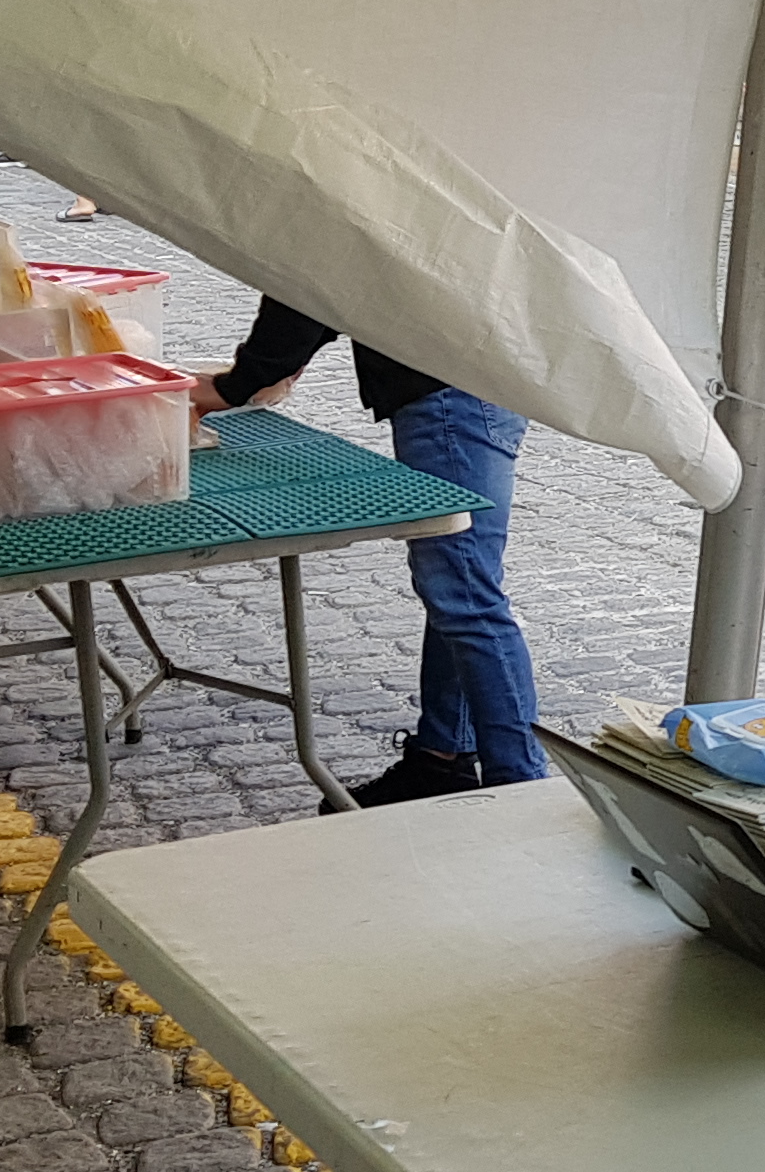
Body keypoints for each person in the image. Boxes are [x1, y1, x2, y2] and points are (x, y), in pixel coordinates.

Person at [196, 300, 542, 809]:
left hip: (448, 394)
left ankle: (522, 790)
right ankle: (441, 758)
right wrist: (281, 363)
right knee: (458, 589)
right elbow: (333, 288)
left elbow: (309, 283)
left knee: (464, 596)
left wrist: (234, 384)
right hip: (479, 380)